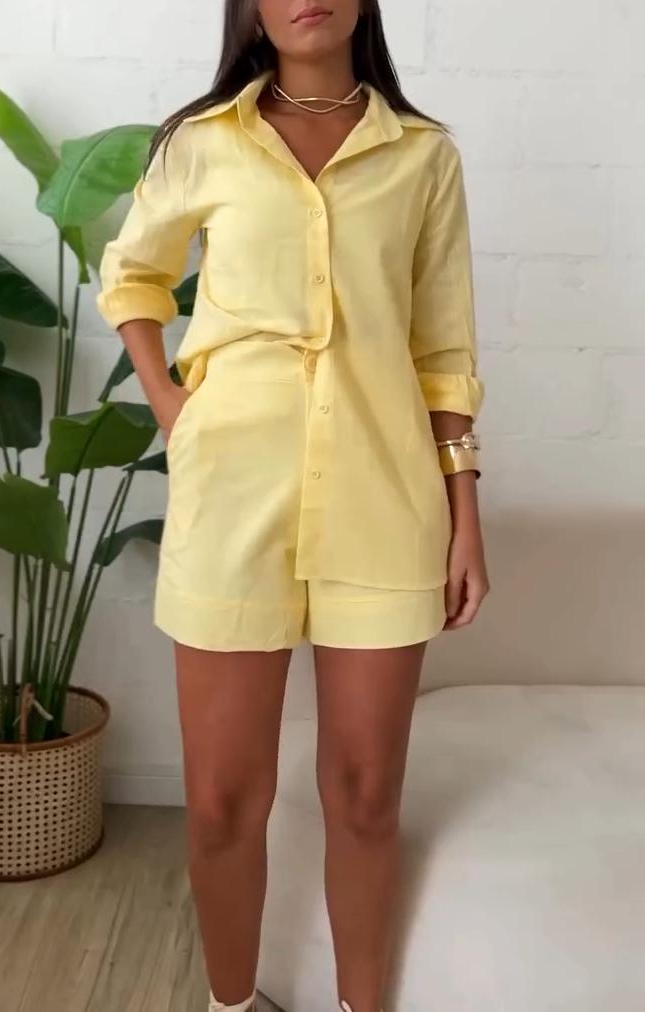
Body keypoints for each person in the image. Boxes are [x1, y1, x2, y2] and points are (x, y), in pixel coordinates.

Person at [96, 1, 489, 1010]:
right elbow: (133, 274)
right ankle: (230, 1005)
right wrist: (171, 403)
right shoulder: (204, 141)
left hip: (385, 498)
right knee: (223, 802)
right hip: (232, 499)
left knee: (364, 796)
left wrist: (465, 514)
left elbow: (443, 347)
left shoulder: (423, 157)